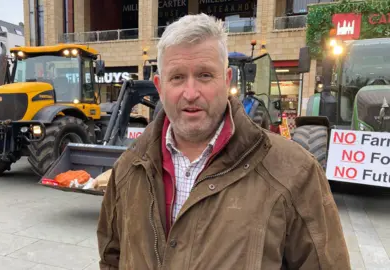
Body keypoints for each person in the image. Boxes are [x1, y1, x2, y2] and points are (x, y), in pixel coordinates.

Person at [97, 13, 350, 269]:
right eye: (177, 77)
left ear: (227, 80)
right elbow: (112, 258)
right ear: (160, 87)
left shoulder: (295, 172)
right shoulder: (128, 168)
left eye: (205, 75)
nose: (191, 93)